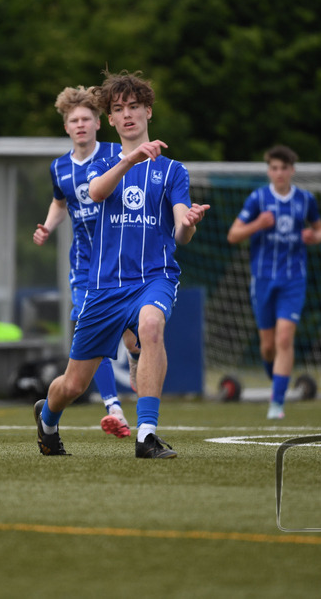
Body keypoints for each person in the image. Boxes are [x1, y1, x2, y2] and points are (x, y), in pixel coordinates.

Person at [34, 70, 209, 459]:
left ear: (148, 111)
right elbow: (96, 192)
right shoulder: (102, 159)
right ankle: (47, 419)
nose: (127, 114)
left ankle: (146, 435)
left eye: (134, 106)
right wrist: (130, 159)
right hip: (104, 284)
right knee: (73, 385)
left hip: (153, 277)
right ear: (110, 119)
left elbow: (182, 232)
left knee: (151, 326)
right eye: (118, 109)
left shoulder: (173, 170)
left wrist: (189, 222)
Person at [33, 85, 129, 437]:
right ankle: (113, 408)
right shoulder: (59, 167)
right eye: (74, 120)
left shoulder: (117, 154)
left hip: (123, 262)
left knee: (136, 339)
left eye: (86, 119)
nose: (81, 125)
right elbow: (60, 203)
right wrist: (48, 226)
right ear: (66, 127)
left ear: (98, 123)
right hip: (85, 268)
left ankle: (133, 367)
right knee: (94, 333)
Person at [227, 145, 321, 420]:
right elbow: (233, 235)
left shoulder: (305, 199)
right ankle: (277, 380)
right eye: (274, 168)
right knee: (268, 346)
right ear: (269, 171)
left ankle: (277, 403)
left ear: (292, 170)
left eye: (284, 168)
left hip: (293, 280)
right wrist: (257, 224)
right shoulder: (258, 199)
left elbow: (320, 231)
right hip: (262, 280)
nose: (279, 173)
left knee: (284, 338)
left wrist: (313, 237)